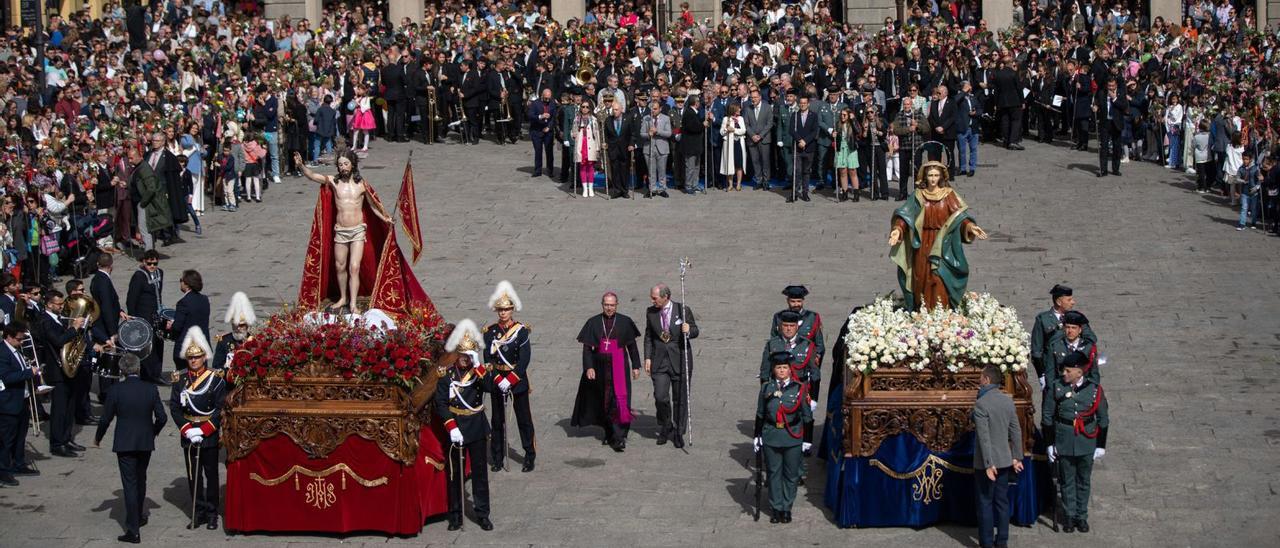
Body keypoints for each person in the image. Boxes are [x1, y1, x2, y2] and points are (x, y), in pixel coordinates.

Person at [295, 150, 393, 314]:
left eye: (346, 164)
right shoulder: (334, 181)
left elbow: (373, 205)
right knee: (340, 266)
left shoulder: (361, 184)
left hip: (358, 231)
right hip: (340, 231)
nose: (343, 167)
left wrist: (385, 218)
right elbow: (313, 176)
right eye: (340, 164)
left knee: (354, 267)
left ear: (352, 164)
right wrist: (301, 166)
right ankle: (343, 298)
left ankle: (353, 303)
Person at [887, 161, 989, 311]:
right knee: (920, 276)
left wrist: (970, 226)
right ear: (925, 176)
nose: (933, 179)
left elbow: (959, 217)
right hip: (921, 243)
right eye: (930, 175)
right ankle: (921, 310)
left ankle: (941, 311)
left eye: (936, 175)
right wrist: (898, 229)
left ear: (941, 176)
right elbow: (905, 215)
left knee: (938, 277)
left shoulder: (948, 195)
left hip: (943, 243)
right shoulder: (918, 195)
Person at [94, 353, 167, 544]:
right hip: (144, 442)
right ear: (138, 369)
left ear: (122, 371)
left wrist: (98, 437)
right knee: (141, 478)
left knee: (130, 484)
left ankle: (133, 529)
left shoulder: (116, 390)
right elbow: (162, 417)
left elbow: (106, 418)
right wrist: (153, 432)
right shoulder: (150, 389)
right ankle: (140, 514)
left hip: (125, 443)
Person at [436, 319, 495, 531]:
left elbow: (490, 387)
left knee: (480, 473)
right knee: (455, 474)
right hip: (458, 427)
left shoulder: (478, 373)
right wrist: (451, 427)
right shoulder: (447, 375)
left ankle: (483, 513)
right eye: (462, 356)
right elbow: (441, 403)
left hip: (477, 426)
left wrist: (479, 366)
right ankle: (455, 515)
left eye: (468, 356)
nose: (464, 360)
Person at [1044, 351, 1109, 534]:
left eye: (1067, 370)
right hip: (1064, 439)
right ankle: (1069, 516)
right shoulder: (1056, 387)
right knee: (1067, 480)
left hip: (1086, 440)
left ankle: (1082, 516)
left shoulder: (1094, 389)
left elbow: (1103, 418)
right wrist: (1050, 443)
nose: (1064, 374)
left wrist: (1101, 445)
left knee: (1084, 480)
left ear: (1079, 372)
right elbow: (1047, 416)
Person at [168, 326, 226, 531]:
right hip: (190, 433)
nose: (193, 361)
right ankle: (197, 511)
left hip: (207, 433)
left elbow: (220, 409)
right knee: (193, 476)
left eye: (197, 357)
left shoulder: (215, 379)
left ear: (204, 357)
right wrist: (187, 429)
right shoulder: (180, 380)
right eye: (190, 358)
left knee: (211, 475)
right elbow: (174, 407)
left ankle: (212, 512)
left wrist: (205, 429)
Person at [570, 291, 642, 452]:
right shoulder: (594, 322)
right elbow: (587, 348)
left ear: (617, 305)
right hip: (600, 368)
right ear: (602, 305)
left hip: (619, 366)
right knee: (605, 401)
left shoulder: (625, 321)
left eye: (612, 305)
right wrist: (589, 367)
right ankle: (609, 433)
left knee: (620, 401)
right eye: (606, 305)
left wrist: (636, 366)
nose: (609, 308)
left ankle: (619, 437)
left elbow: (631, 346)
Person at [753, 351, 812, 524]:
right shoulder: (767, 388)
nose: (781, 371)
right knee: (773, 473)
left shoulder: (799, 388)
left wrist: (807, 441)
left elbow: (807, 416)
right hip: (771, 435)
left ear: (790, 369)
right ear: (773, 369)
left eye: (785, 367)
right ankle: (776, 507)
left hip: (792, 437)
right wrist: (757, 436)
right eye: (778, 367)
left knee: (791, 474)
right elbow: (760, 413)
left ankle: (787, 507)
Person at [483, 282, 535, 473]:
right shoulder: (490, 332)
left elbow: (524, 359)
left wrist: (510, 380)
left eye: (506, 309)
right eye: (500, 310)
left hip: (517, 378)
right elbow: (488, 359)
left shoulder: (520, 331)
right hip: (498, 378)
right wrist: (498, 379)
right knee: (497, 420)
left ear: (512, 310)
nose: (503, 313)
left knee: (524, 419)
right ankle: (497, 457)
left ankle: (529, 455)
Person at [972, 365, 1024, 548]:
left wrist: (988, 464)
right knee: (1002, 502)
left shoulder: (981, 404)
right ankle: (1002, 542)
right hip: (1004, 460)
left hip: (987, 464)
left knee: (985, 503)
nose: (979, 380)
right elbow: (1015, 431)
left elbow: (984, 437)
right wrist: (1017, 456)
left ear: (986, 380)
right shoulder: (1007, 401)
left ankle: (986, 543)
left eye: (980, 377)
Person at [32, 289, 87, 457]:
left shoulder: (59, 318)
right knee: (60, 409)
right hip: (56, 371)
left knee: (70, 407)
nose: (62, 306)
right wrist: (74, 328)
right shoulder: (45, 321)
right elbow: (57, 340)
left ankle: (66, 438)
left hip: (68, 369)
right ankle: (57, 443)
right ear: (49, 304)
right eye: (59, 304)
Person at [643, 283, 699, 449]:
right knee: (660, 396)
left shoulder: (682, 310)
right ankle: (666, 423)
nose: (652, 301)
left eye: (655, 298)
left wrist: (688, 330)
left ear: (665, 297)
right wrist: (647, 357)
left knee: (680, 398)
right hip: (659, 361)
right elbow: (648, 336)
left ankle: (678, 431)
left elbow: (695, 331)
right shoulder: (651, 312)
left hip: (679, 359)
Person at [760, 310, 819, 458]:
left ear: (797, 327)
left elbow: (815, 373)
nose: (788, 329)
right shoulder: (772, 344)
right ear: (780, 326)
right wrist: (766, 392)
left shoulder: (807, 345)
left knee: (803, 420)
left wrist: (814, 398)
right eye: (785, 325)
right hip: (778, 389)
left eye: (791, 326)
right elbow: (765, 371)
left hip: (801, 390)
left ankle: (804, 447)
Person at [1030, 284, 1097, 383]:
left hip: (1076, 371)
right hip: (1054, 371)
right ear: (1059, 302)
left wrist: (1079, 354)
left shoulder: (1077, 317)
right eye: (1069, 300)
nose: (1073, 302)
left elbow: (1091, 339)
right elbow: (1036, 352)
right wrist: (1042, 376)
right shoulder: (1043, 320)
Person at [0, 321, 37, 486]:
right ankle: (4, 471)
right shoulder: (2, 353)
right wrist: (29, 372)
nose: (22, 342)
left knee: (20, 436)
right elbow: (6, 377)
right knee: (6, 441)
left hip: (21, 400)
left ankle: (19, 464)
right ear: (8, 337)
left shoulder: (16, 349)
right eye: (19, 339)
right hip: (8, 403)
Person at [126, 250, 164, 382]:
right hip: (144, 316)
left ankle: (157, 373)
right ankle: (147, 375)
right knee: (147, 347)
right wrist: (134, 320)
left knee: (159, 344)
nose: (152, 266)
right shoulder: (139, 276)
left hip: (156, 314)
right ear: (143, 262)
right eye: (149, 264)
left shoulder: (160, 273)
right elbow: (131, 299)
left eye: (155, 263)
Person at [167, 270, 210, 372]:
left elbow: (177, 327)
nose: (180, 282)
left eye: (181, 280)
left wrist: (171, 326)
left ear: (187, 284)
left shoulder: (183, 303)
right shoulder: (204, 299)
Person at [1043, 311, 1100, 386]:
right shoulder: (1055, 347)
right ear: (1064, 328)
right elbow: (1050, 374)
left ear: (1080, 330)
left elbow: (1094, 374)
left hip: (1083, 388)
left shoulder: (1088, 347)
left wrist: (1092, 391)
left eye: (1074, 328)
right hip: (1061, 388)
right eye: (1067, 327)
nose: (1070, 331)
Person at [212, 292, 256, 371]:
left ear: (247, 325)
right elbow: (216, 366)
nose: (238, 328)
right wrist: (225, 367)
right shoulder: (223, 341)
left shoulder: (254, 340)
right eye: (236, 325)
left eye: (241, 325)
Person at [638, 99, 672, 198]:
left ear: (660, 109)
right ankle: (651, 189)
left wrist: (658, 131)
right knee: (651, 171)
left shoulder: (666, 118)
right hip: (649, 148)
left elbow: (669, 133)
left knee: (662, 170)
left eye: (655, 109)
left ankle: (662, 189)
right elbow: (641, 133)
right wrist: (648, 134)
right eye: (652, 109)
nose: (653, 111)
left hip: (662, 148)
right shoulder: (646, 118)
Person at [1094, 79, 1127, 177]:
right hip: (1105, 122)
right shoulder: (1102, 93)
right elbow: (1097, 103)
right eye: (1109, 86)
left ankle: (1115, 168)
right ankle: (1103, 170)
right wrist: (1095, 107)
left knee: (1117, 147)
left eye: (1113, 86)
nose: (1111, 88)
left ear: (1116, 85)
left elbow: (1124, 106)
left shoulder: (1121, 93)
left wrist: (1115, 98)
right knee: (1104, 147)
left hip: (1116, 123)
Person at [788, 96, 819, 202]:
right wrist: (799, 140)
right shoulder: (795, 115)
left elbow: (814, 131)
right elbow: (791, 130)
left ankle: (805, 193)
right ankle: (794, 193)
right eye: (801, 103)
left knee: (806, 171)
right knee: (797, 171)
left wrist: (805, 141)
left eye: (804, 103)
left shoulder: (813, 116)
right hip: (798, 147)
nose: (802, 105)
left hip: (809, 147)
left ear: (808, 104)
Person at [744, 89, 773, 191]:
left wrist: (760, 135)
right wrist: (752, 135)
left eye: (755, 97)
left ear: (760, 97)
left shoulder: (767, 107)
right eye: (752, 97)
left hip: (764, 139)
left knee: (765, 161)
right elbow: (746, 124)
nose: (753, 99)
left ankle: (766, 181)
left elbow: (769, 123)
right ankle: (759, 180)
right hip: (752, 140)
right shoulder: (748, 109)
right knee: (755, 161)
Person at [528, 88, 557, 178]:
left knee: (549, 152)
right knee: (538, 151)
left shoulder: (552, 103)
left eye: (549, 98)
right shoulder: (535, 103)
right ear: (542, 96)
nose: (547, 100)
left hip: (548, 132)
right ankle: (538, 170)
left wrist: (549, 127)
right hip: (536, 131)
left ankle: (550, 170)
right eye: (546, 98)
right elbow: (530, 115)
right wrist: (540, 116)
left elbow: (554, 117)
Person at [719, 104, 747, 191]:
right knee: (729, 164)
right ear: (734, 110)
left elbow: (743, 130)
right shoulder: (726, 119)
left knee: (739, 165)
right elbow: (721, 132)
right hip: (729, 145)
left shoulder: (740, 119)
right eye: (738, 108)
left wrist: (734, 130)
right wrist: (727, 129)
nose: (740, 109)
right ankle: (730, 184)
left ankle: (738, 184)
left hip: (738, 143)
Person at [834, 108, 860, 201]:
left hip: (851, 148)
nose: (842, 116)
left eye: (844, 115)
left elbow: (858, 131)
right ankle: (844, 192)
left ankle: (856, 194)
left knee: (852, 171)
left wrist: (853, 120)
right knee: (842, 171)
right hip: (841, 149)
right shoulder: (838, 124)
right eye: (841, 114)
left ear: (849, 115)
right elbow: (835, 135)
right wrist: (834, 135)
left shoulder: (852, 124)